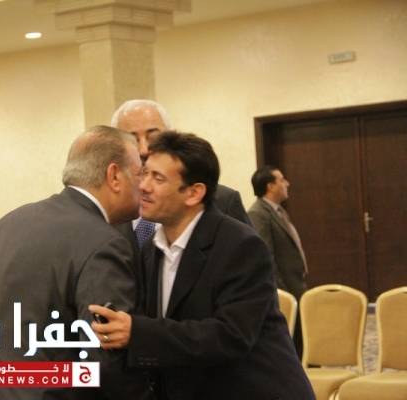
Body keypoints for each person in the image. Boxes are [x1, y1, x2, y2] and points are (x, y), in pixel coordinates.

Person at [0, 126, 153, 400]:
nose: (144, 186)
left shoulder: (10, 223)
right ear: (114, 176)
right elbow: (105, 360)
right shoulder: (106, 242)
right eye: (139, 173)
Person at [90, 132, 314, 400]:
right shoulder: (150, 249)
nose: (144, 186)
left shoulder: (240, 246)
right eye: (144, 173)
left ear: (194, 193)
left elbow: (230, 336)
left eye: (158, 178)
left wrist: (137, 332)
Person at [111, 99, 251, 249]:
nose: (143, 150)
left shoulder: (224, 201)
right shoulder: (110, 206)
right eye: (132, 140)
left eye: (153, 138)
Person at [248, 165, 308, 355]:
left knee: (302, 340)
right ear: (270, 186)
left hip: (295, 285)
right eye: (282, 180)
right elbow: (265, 257)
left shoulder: (278, 211)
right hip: (285, 290)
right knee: (292, 344)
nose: (287, 183)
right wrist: (281, 291)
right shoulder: (258, 214)